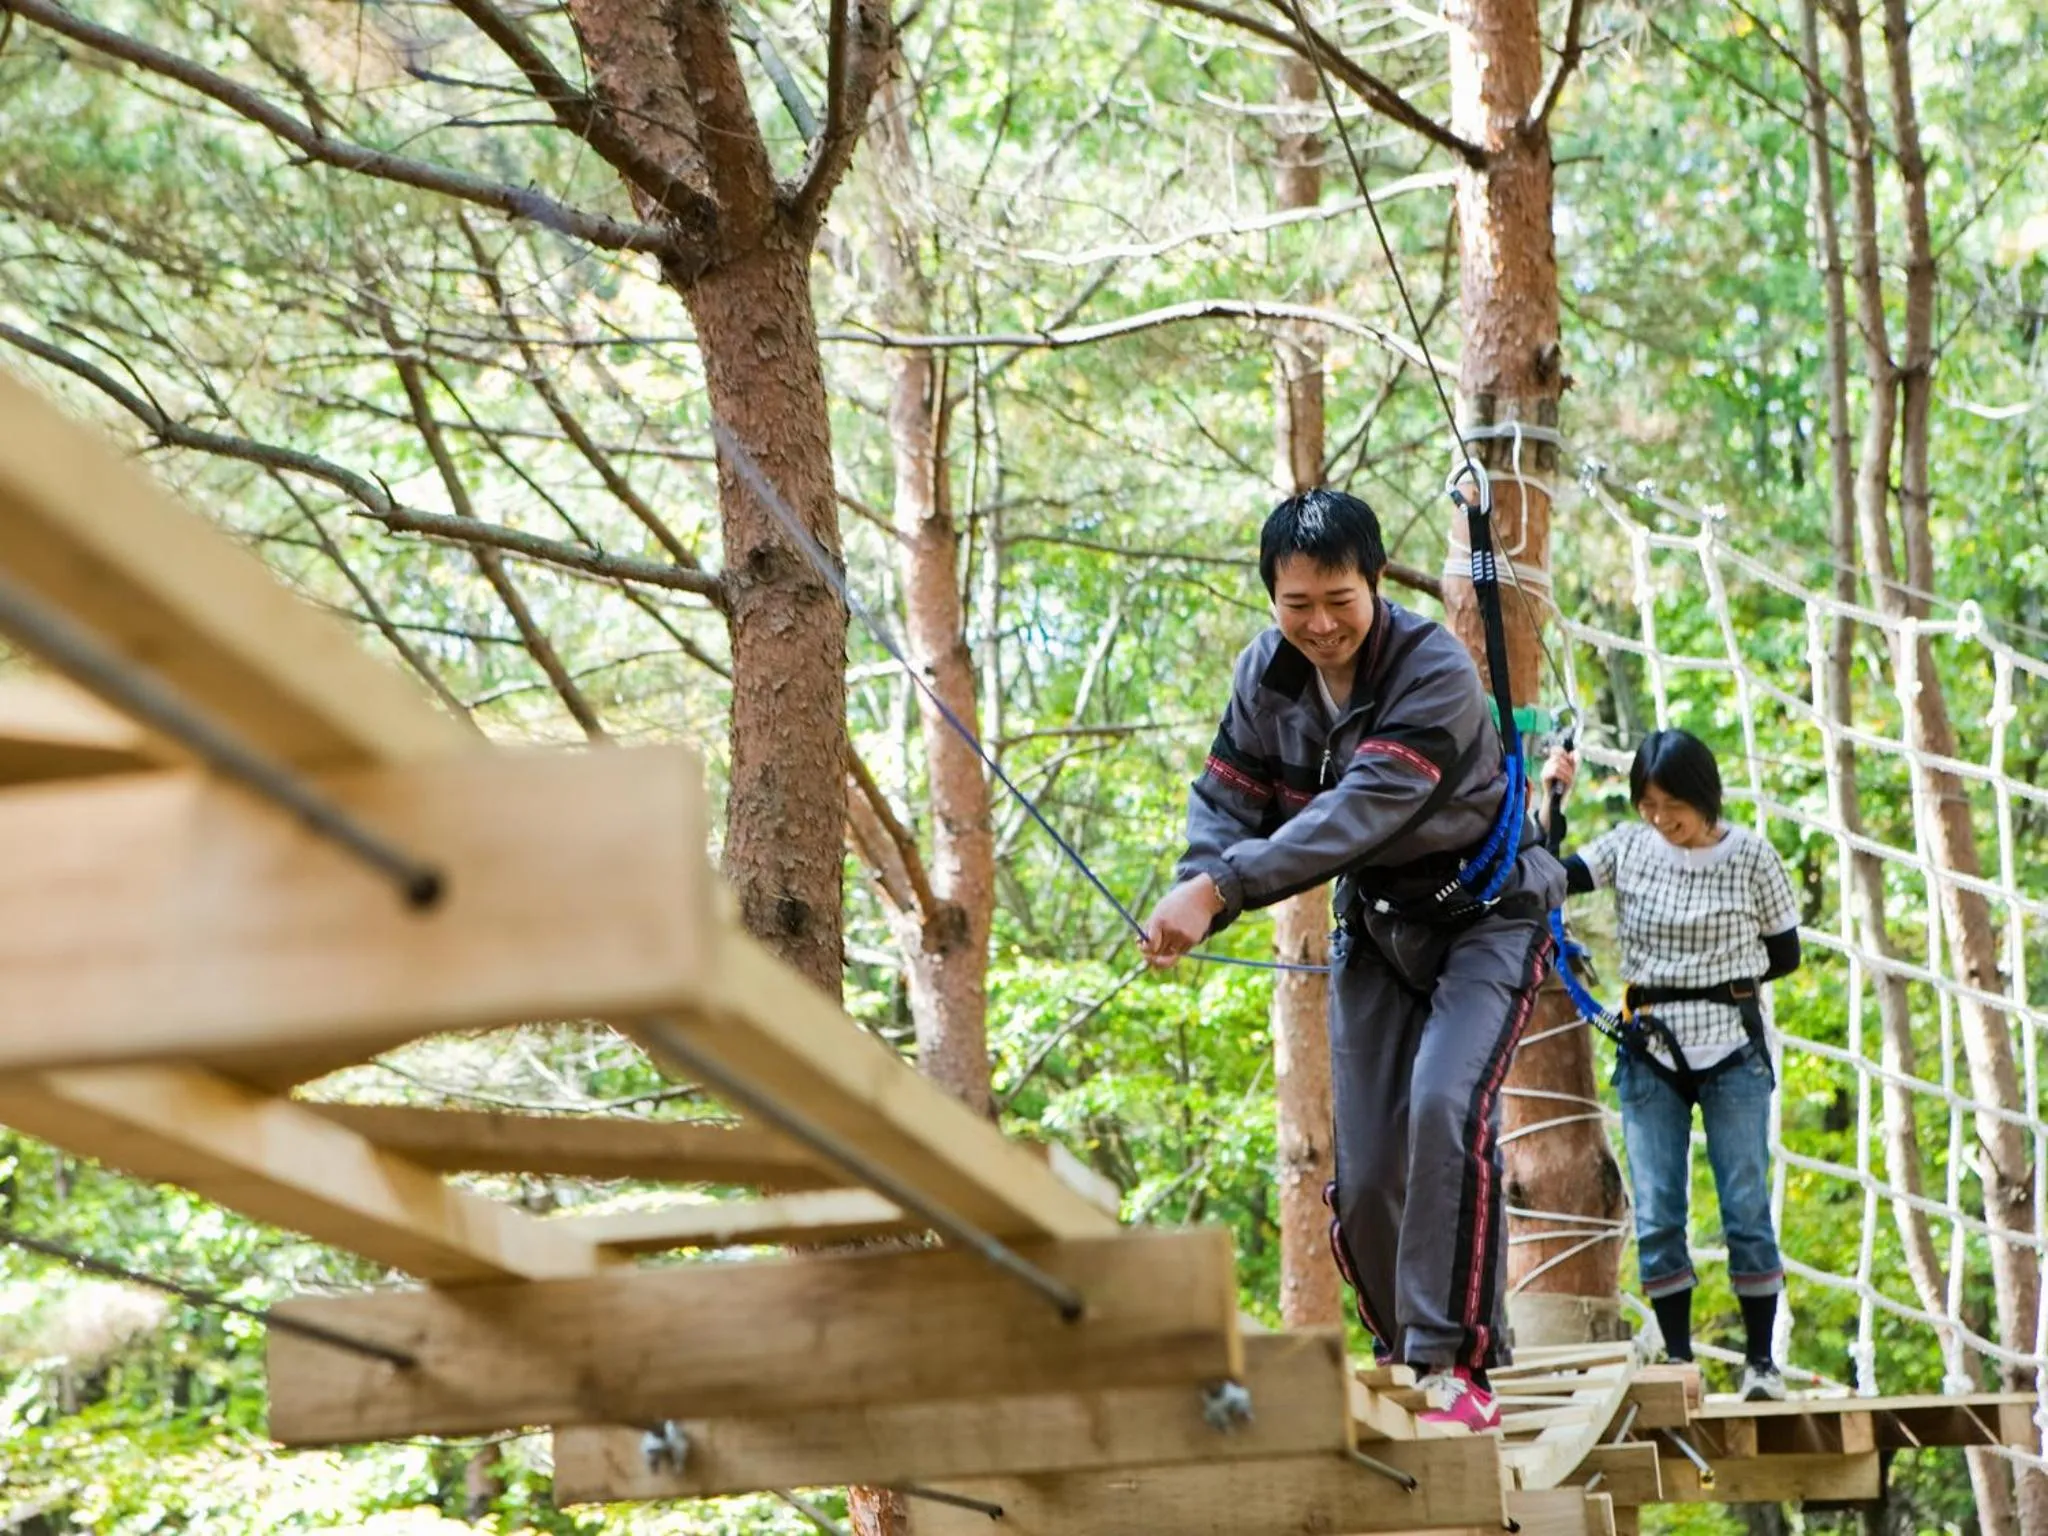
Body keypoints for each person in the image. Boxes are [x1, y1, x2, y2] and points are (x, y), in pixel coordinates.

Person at [1142, 486, 1565, 1433]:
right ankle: (1403, 1352)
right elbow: (1228, 800)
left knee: (1444, 1107)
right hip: (1376, 925)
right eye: (1297, 605)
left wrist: (1221, 891)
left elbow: (1357, 812)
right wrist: (1197, 883)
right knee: (1369, 1172)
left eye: (1340, 600)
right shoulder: (1267, 675)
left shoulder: (1433, 669)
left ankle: (1456, 1362)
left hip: (1490, 918)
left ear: (1375, 583)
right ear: (1272, 598)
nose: (1321, 625)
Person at [1541, 729, 1802, 1402]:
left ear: (1703, 796)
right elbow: (1550, 878)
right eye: (1648, 804)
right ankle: (1680, 1359)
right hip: (1649, 1047)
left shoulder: (1751, 856)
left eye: (1672, 804)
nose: (1660, 818)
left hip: (1731, 1048)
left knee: (1745, 1205)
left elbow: (1785, 953)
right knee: (1658, 1210)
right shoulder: (1629, 847)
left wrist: (1717, 984)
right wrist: (1552, 799)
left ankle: (1761, 1365)